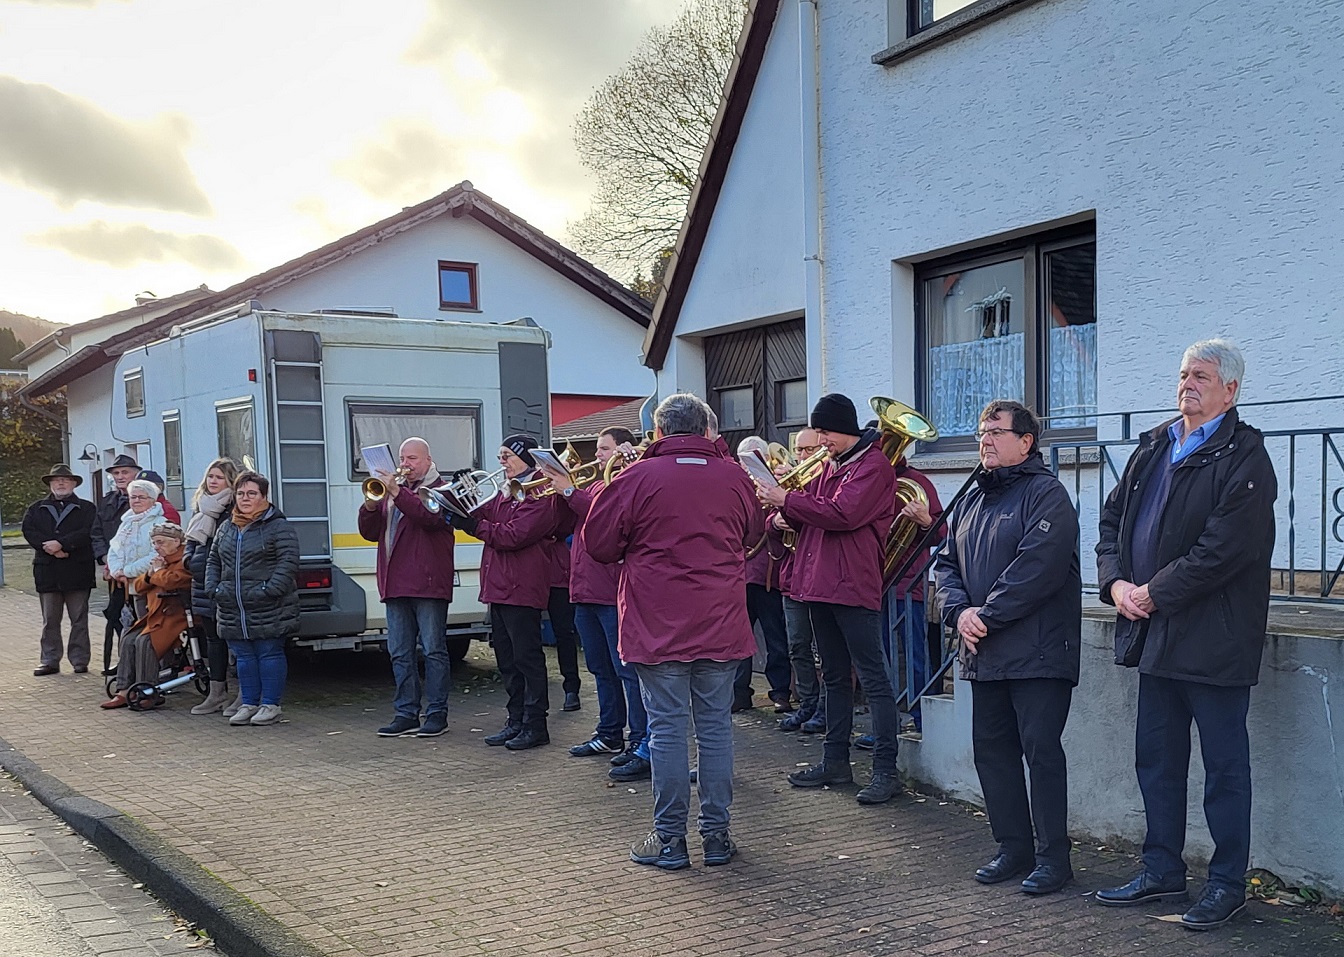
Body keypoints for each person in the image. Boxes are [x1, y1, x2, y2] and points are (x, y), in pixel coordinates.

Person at [1094, 339, 1276, 930]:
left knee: (1225, 771)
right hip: (1155, 635)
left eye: (1201, 375)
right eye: (1182, 374)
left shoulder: (1245, 455)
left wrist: (1153, 592)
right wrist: (1116, 585)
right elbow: (1112, 521)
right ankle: (1162, 871)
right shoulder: (1154, 445)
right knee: (1158, 762)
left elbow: (1224, 549)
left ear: (1231, 390)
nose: (1187, 383)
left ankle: (1227, 885)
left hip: (1215, 639)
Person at [586, 393, 764, 870]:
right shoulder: (734, 476)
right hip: (721, 622)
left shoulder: (635, 476)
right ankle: (718, 837)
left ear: (659, 432)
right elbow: (753, 534)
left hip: (656, 622)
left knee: (666, 730)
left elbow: (598, 544)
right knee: (715, 729)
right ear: (708, 430)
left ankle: (669, 840)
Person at [933, 400, 1081, 896]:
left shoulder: (1048, 496)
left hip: (1038, 653)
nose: (985, 440)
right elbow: (946, 566)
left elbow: (1037, 569)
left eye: (996, 431)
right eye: (981, 431)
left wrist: (983, 616)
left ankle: (1052, 858)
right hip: (986, 651)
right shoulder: (973, 498)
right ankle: (1012, 847)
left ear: (1026, 441)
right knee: (992, 754)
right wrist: (958, 613)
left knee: (1041, 754)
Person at [757, 393, 901, 805]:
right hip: (820, 582)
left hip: (852, 585)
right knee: (834, 676)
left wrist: (788, 501)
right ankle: (835, 761)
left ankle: (885, 770)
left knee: (873, 678)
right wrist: (781, 515)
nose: (820, 440)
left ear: (846, 429)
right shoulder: (831, 465)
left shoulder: (873, 467)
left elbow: (843, 514)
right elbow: (815, 510)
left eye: (825, 432)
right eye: (817, 431)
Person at [538, 427, 652, 781]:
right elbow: (566, 522)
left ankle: (639, 739)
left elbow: (605, 515)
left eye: (604, 449)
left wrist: (570, 490)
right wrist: (558, 492)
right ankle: (609, 733)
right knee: (600, 670)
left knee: (626, 671)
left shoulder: (624, 481)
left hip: (610, 590)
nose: (597, 454)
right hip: (584, 589)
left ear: (622, 450)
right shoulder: (591, 485)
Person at [358, 437, 458, 738]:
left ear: (428, 460)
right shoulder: (391, 493)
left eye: (412, 458)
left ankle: (437, 713)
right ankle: (406, 713)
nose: (405, 464)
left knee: (433, 650)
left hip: (427, 582)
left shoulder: (440, 488)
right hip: (395, 582)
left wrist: (396, 491)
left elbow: (429, 518)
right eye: (402, 458)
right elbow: (368, 533)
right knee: (399, 652)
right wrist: (371, 506)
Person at [472, 435, 566, 751]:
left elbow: (513, 535)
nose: (501, 461)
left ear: (526, 458)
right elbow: (485, 517)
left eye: (507, 455)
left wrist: (473, 526)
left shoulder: (540, 492)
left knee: (527, 658)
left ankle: (535, 725)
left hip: (522, 586)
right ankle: (515, 720)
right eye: (499, 455)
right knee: (507, 659)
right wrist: (460, 506)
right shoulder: (505, 490)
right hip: (499, 586)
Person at [205, 471, 300, 727]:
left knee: (268, 653)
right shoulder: (227, 527)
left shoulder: (278, 526)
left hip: (268, 605)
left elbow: (288, 562)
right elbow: (214, 560)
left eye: (251, 493)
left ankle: (270, 704)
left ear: (264, 496)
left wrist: (269, 590)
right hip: (233, 606)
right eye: (240, 493)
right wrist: (214, 588)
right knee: (244, 657)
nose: (245, 498)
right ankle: (248, 703)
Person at [101, 523, 192, 709]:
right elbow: (140, 586)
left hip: (178, 616)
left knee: (146, 642)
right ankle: (124, 689)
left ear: (176, 541)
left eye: (160, 542)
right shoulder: (161, 560)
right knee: (128, 639)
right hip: (157, 615)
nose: (157, 547)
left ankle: (148, 690)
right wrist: (151, 574)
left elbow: (172, 581)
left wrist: (157, 572)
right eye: (154, 543)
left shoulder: (185, 559)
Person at [734, 437, 792, 715]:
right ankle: (739, 693)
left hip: (770, 573)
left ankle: (780, 692)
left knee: (775, 638)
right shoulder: (739, 488)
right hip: (743, 574)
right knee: (739, 639)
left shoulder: (775, 485)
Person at [23, 464, 97, 676]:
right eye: (56, 480)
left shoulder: (87, 508)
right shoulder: (36, 508)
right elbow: (29, 531)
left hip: (77, 570)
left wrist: (63, 545)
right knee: (50, 621)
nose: (61, 483)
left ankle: (80, 661)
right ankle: (49, 660)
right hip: (48, 571)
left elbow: (88, 532)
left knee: (79, 620)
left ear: (74, 483)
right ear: (50, 484)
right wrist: (51, 548)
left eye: (65, 480)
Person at [775, 428, 825, 734]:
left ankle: (825, 709)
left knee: (827, 651)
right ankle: (807, 704)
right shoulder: (793, 483)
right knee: (797, 646)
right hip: (792, 579)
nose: (803, 456)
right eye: (799, 450)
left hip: (818, 578)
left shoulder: (826, 482)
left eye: (809, 450)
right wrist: (776, 519)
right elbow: (765, 519)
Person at [184, 457, 239, 715]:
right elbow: (191, 542)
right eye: (210, 476)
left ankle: (243, 694)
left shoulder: (234, 508)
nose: (213, 481)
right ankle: (216, 694)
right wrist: (189, 561)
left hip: (224, 583)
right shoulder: (201, 509)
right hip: (201, 583)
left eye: (219, 477)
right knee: (213, 641)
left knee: (236, 641)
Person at [91, 453, 140, 652]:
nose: (120, 476)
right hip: (113, 572)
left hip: (138, 570)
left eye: (125, 472)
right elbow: (96, 533)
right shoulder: (106, 502)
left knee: (139, 616)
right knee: (116, 614)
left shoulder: (144, 499)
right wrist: (105, 560)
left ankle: (144, 659)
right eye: (116, 473)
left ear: (136, 474)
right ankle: (125, 657)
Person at [106, 480, 167, 621]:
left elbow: (157, 555)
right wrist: (116, 571)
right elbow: (114, 549)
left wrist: (127, 571)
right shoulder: (126, 523)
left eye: (142, 497)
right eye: (133, 497)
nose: (136, 500)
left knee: (148, 625)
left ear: (153, 500)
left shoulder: (160, 523)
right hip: (128, 586)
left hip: (150, 584)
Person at [544, 518, 583, 713]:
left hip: (556, 572)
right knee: (528, 638)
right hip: (529, 573)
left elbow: (564, 526)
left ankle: (571, 688)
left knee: (563, 633)